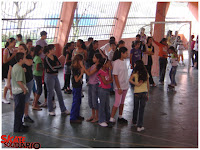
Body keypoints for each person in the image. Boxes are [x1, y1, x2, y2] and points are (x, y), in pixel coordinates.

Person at [44, 44, 70, 116]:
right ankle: (50, 110)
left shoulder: (55, 57)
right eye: (53, 49)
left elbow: (59, 65)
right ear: (50, 50)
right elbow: (51, 68)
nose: (55, 50)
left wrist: (55, 67)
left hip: (55, 76)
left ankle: (63, 109)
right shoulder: (46, 58)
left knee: (59, 92)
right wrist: (55, 67)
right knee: (50, 93)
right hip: (49, 77)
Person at [80, 53, 102, 123]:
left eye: (94, 58)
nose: (93, 59)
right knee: (91, 101)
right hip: (90, 84)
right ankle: (93, 115)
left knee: (94, 100)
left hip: (95, 85)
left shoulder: (97, 67)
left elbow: (89, 73)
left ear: (98, 59)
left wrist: (82, 67)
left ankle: (97, 116)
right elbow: (86, 71)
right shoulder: (93, 65)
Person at [109, 47, 129, 125]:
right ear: (122, 53)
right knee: (117, 102)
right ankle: (111, 118)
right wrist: (119, 87)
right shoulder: (116, 62)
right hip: (119, 87)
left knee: (122, 102)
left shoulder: (124, 61)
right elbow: (115, 76)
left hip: (125, 86)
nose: (127, 54)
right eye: (126, 53)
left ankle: (120, 117)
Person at [129, 60, 149, 132]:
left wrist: (135, 84)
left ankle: (134, 121)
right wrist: (147, 93)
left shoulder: (135, 73)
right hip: (144, 92)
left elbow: (130, 80)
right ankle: (139, 126)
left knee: (135, 107)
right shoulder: (145, 73)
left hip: (136, 92)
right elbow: (147, 84)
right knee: (141, 110)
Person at [12, 52, 28, 132]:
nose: (26, 59)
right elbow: (19, 81)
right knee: (19, 111)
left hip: (16, 91)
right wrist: (24, 90)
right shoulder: (19, 68)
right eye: (24, 58)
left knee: (19, 110)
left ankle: (19, 125)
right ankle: (17, 128)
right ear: (21, 59)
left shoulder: (16, 66)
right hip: (19, 92)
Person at [17, 44, 34, 123]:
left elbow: (29, 63)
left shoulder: (28, 57)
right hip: (20, 81)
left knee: (26, 99)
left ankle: (26, 115)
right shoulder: (16, 58)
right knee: (19, 100)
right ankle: (18, 117)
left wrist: (23, 56)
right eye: (18, 49)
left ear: (25, 50)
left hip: (28, 80)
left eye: (21, 49)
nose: (19, 50)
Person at [97, 58, 113, 127]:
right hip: (102, 90)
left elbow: (110, 78)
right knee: (102, 105)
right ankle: (101, 120)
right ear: (104, 64)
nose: (109, 64)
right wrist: (110, 82)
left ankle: (107, 118)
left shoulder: (106, 70)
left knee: (107, 105)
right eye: (108, 63)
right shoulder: (101, 72)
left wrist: (109, 70)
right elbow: (105, 82)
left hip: (107, 89)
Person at [70, 54, 85, 123]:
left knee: (78, 101)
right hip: (76, 86)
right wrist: (81, 73)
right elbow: (76, 79)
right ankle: (73, 117)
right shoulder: (75, 68)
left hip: (79, 85)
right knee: (75, 102)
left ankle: (77, 115)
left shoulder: (78, 67)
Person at [2, 38, 17, 104]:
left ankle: (11, 95)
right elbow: (5, 61)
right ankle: (3, 97)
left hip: (11, 67)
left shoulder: (13, 49)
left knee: (11, 82)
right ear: (10, 42)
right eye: (14, 42)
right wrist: (13, 55)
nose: (15, 44)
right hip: (6, 68)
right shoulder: (6, 50)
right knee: (7, 83)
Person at [32, 45, 43, 110]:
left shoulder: (35, 57)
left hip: (35, 74)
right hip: (38, 74)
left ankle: (34, 103)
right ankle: (35, 104)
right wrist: (43, 67)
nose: (42, 51)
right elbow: (37, 68)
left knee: (38, 89)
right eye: (41, 50)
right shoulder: (38, 58)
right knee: (39, 90)